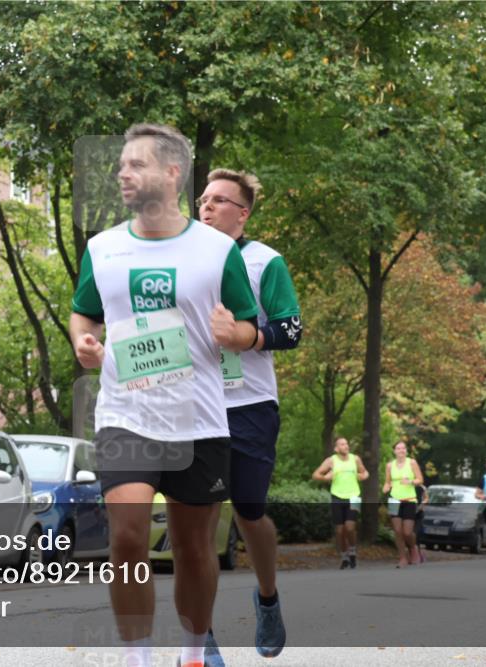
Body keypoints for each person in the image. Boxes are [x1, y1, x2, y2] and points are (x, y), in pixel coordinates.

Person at [70, 124, 260, 667]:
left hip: (198, 418)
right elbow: (84, 309)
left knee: (195, 549)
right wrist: (82, 338)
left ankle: (194, 654)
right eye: (121, 165)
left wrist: (236, 335)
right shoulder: (102, 248)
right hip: (126, 414)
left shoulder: (218, 250)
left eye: (136, 165)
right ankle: (137, 658)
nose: (123, 174)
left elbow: (247, 327)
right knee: (127, 538)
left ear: (172, 173)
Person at [197, 167, 301, 659]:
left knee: (249, 511)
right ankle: (202, 632)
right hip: (193, 401)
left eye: (220, 200)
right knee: (201, 519)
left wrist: (249, 336)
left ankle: (267, 597)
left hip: (250, 404)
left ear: (243, 213)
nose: (207, 206)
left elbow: (292, 330)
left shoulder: (265, 262)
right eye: (203, 198)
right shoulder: (180, 260)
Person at [312, 437, 368, 570]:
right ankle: (344, 557)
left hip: (354, 496)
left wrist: (362, 476)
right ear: (336, 448)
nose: (346, 446)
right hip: (337, 496)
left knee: (349, 527)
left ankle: (353, 552)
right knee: (339, 530)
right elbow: (315, 475)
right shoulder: (331, 461)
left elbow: (365, 472)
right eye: (342, 444)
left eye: (347, 443)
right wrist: (325, 478)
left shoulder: (355, 459)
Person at [382, 441, 423, 568]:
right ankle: (402, 558)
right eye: (398, 448)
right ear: (394, 451)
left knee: (407, 532)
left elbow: (420, 479)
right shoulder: (389, 465)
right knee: (397, 531)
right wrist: (385, 488)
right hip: (394, 500)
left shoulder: (412, 463)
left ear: (406, 450)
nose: (401, 450)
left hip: (409, 500)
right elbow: (387, 482)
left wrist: (410, 481)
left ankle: (413, 547)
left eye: (403, 448)